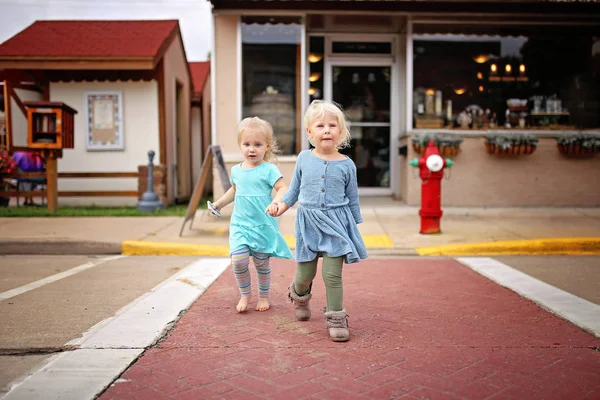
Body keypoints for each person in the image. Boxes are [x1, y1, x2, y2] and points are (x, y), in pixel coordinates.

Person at [270, 100, 367, 342]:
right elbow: (293, 190)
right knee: (305, 272)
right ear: (309, 131)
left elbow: (352, 197)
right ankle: (299, 295)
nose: (327, 130)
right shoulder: (304, 158)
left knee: (332, 275)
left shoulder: (347, 164)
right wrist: (280, 206)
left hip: (336, 223)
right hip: (308, 222)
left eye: (332, 125)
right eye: (320, 125)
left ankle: (336, 318)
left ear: (341, 132)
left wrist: (353, 226)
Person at [210, 117, 293, 313]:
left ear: (267, 146)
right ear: (240, 145)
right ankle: (245, 294)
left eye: (257, 144)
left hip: (262, 225)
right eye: (247, 144)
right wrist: (220, 203)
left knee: (261, 264)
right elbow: (234, 190)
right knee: (238, 261)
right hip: (240, 225)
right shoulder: (236, 170)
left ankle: (263, 296)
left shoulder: (269, 169)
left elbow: (283, 188)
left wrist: (275, 202)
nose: (251, 149)